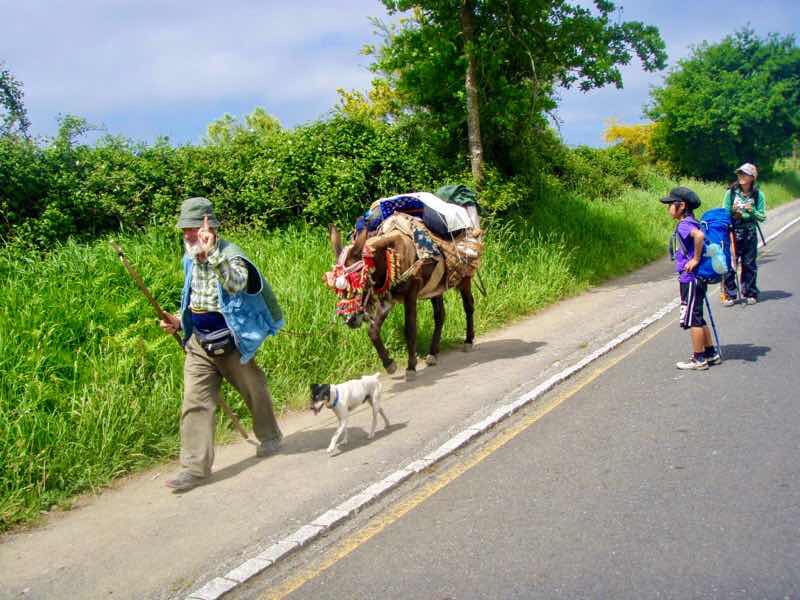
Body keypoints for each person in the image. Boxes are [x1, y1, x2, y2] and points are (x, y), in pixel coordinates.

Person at [160, 197, 284, 492]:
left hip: (231, 341)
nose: (188, 236)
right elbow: (197, 298)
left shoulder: (231, 253)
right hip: (199, 342)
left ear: (209, 226)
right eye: (185, 231)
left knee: (253, 389)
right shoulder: (189, 257)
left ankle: (270, 437)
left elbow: (236, 284)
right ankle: (194, 468)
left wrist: (213, 254)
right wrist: (179, 321)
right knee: (194, 401)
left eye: (192, 229)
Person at [661, 187, 721, 371]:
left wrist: (695, 259)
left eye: (671, 204)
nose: (669, 208)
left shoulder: (685, 224)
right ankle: (710, 353)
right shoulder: (692, 221)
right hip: (697, 278)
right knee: (698, 317)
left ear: (682, 205)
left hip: (691, 278)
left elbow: (700, 236)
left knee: (693, 319)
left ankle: (699, 359)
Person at [721, 163, 766, 306]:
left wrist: (751, 210)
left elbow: (762, 217)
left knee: (749, 265)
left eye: (744, 174)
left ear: (752, 177)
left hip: (750, 233)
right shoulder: (731, 193)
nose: (741, 176)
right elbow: (724, 213)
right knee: (730, 264)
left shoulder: (758, 195)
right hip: (733, 232)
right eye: (739, 173)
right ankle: (731, 294)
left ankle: (750, 292)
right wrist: (734, 213)